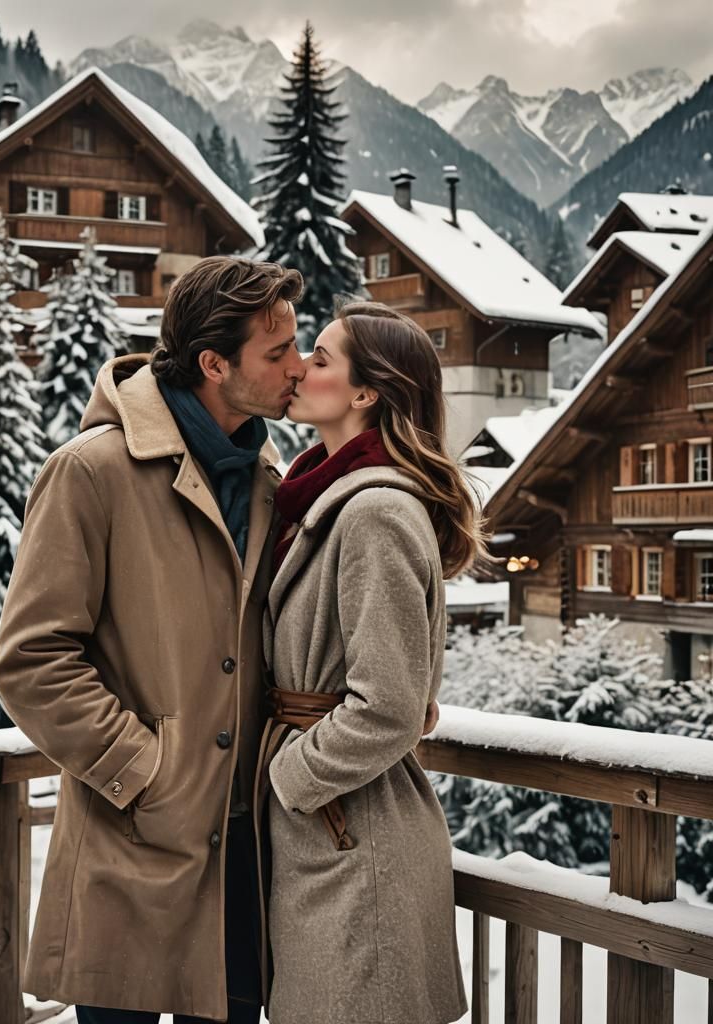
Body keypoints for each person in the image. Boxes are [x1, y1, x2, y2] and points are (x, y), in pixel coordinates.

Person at [0, 256, 305, 1023]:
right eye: (278, 352)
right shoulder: (90, 472)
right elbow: (31, 660)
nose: (299, 368)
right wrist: (143, 769)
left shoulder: (271, 483)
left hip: (241, 863)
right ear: (214, 364)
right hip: (126, 849)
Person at [257, 301, 478, 1024]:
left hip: (356, 833)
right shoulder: (317, 497)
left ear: (366, 393)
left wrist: (288, 780)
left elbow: (388, 707)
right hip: (334, 828)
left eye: (320, 358)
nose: (299, 368)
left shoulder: (374, 511)